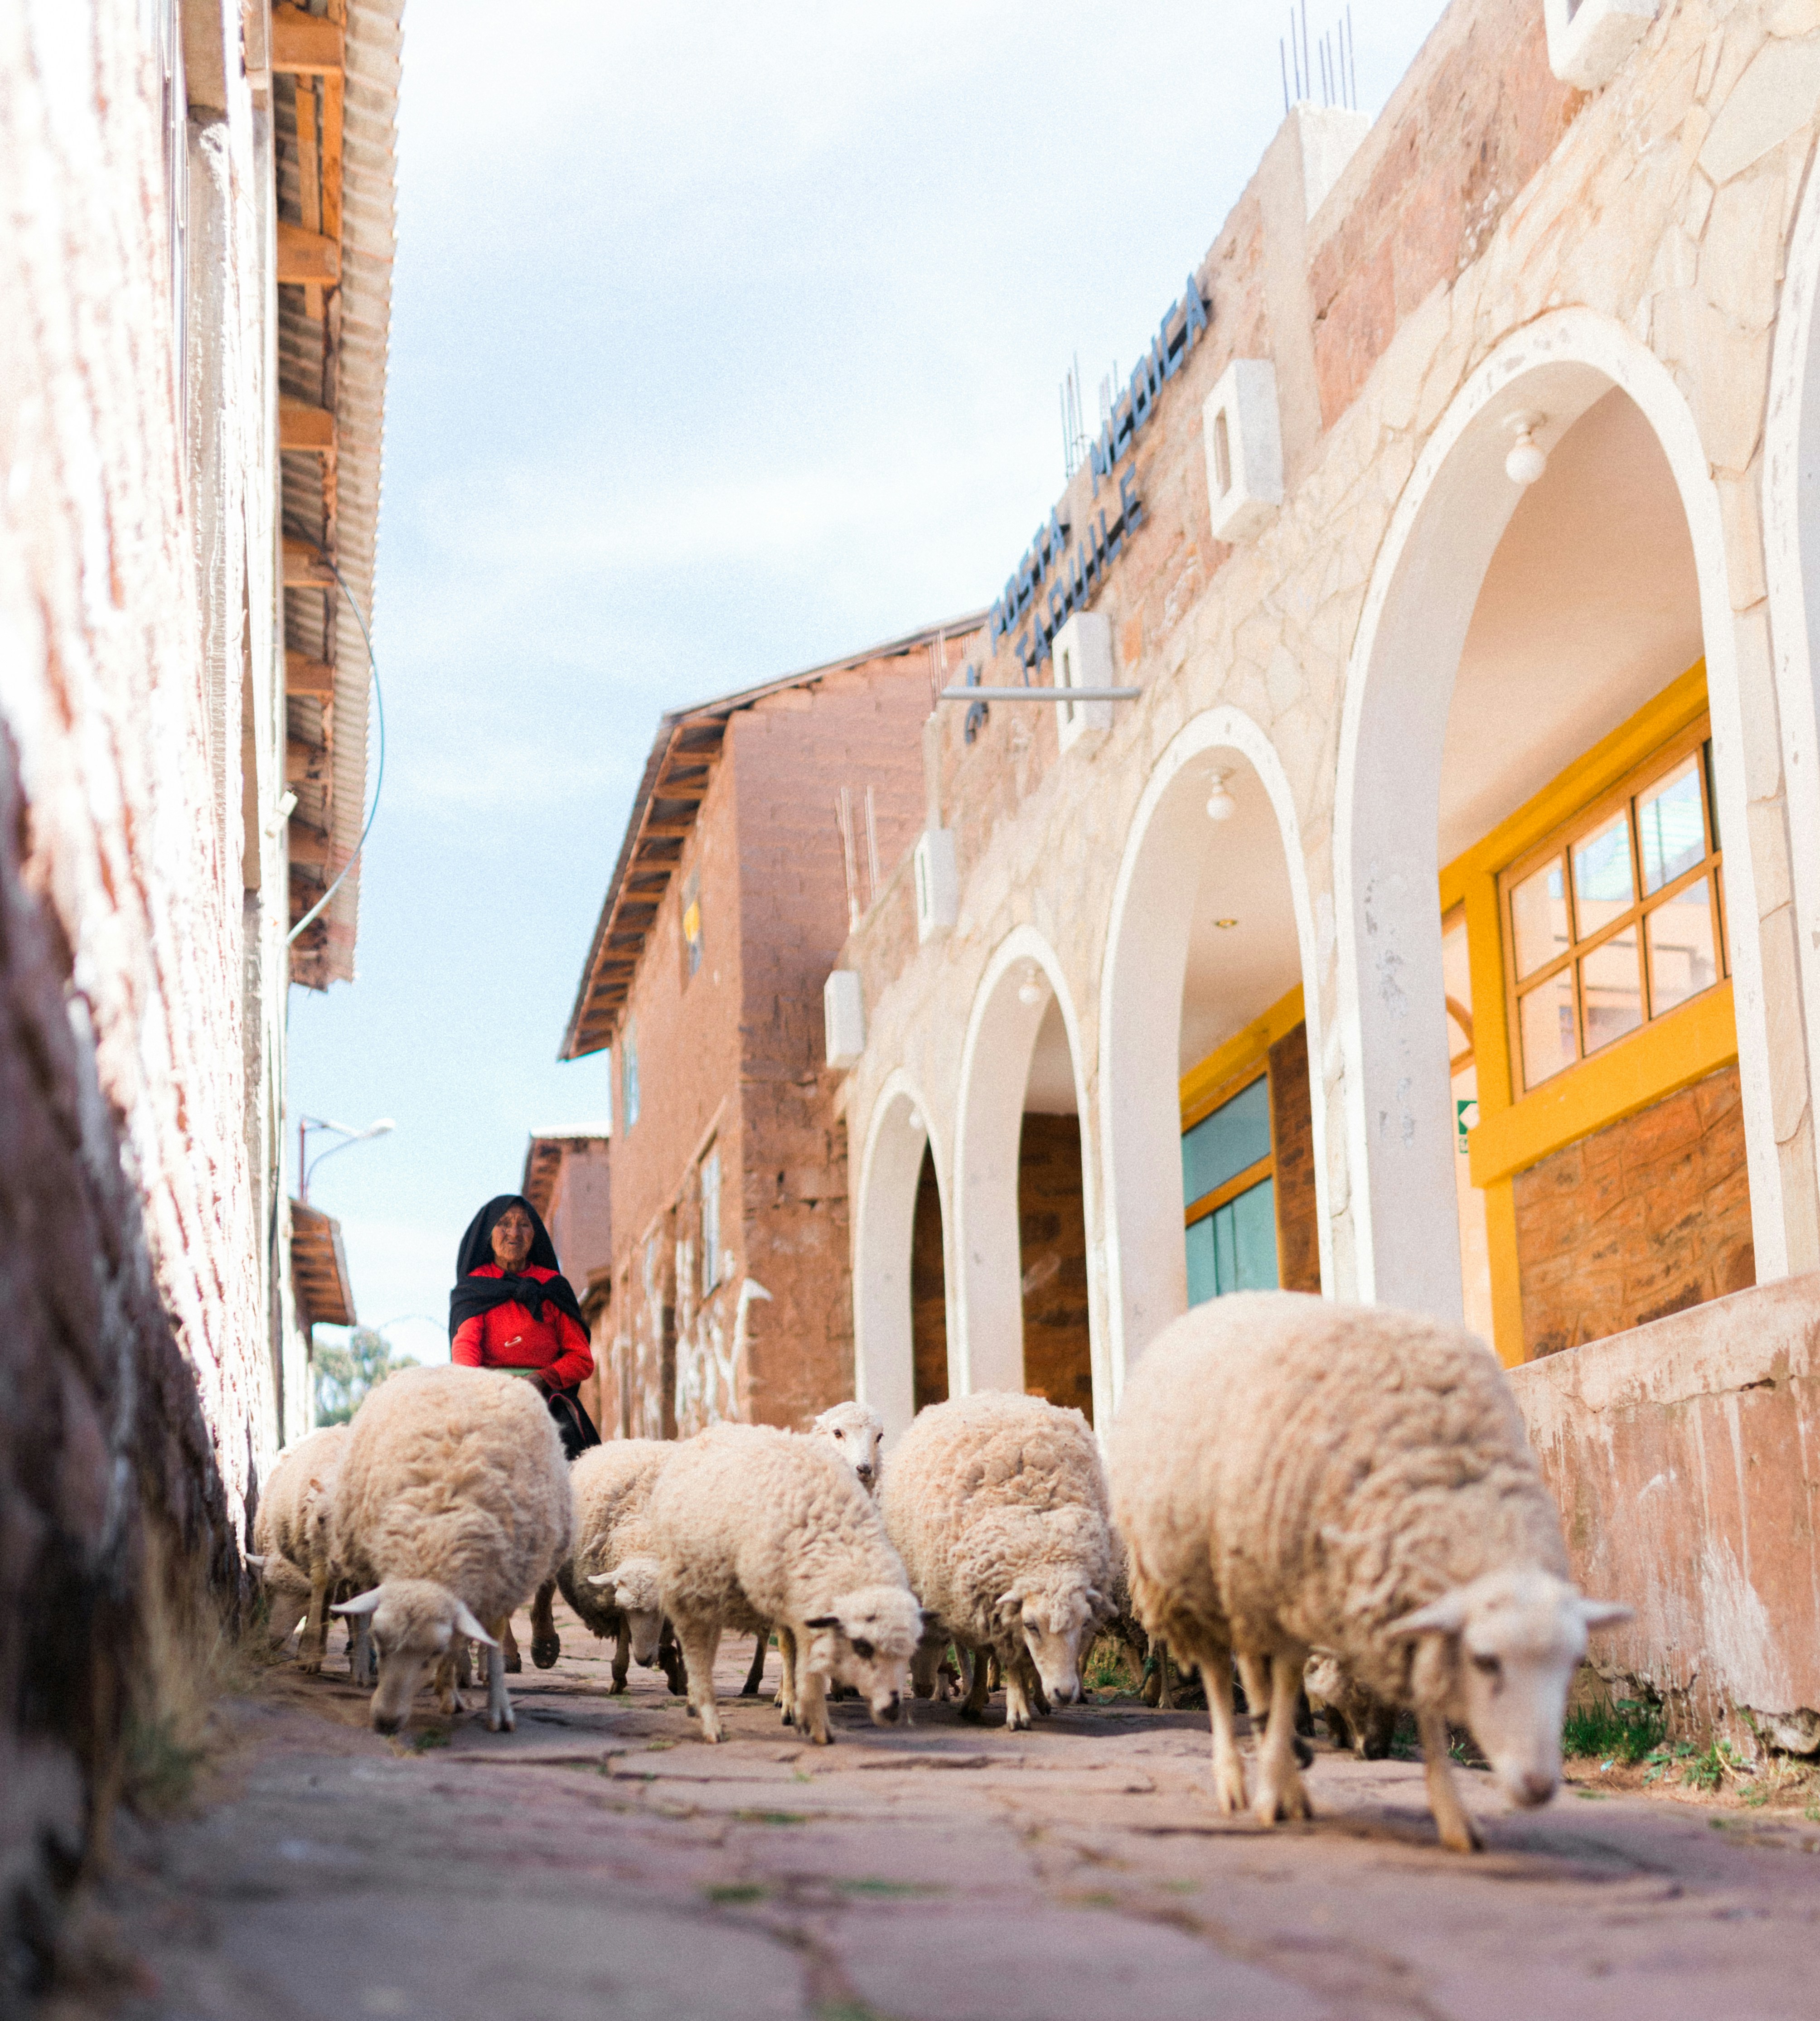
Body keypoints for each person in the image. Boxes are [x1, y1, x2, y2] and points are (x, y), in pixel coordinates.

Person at [449, 1194, 601, 1462]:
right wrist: (487, 1391)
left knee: (580, 1470)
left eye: (524, 1224)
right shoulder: (476, 1287)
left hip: (548, 1399)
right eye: (504, 1224)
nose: (514, 1233)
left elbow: (582, 1359)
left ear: (534, 1234)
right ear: (489, 1234)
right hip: (490, 1398)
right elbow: (466, 1350)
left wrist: (541, 1379)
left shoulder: (553, 1287)